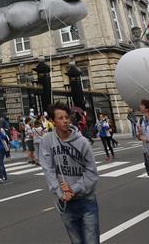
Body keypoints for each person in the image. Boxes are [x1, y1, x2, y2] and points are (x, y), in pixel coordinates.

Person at [38, 102, 99, 244]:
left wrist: (73, 188)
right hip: (65, 202)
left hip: (86, 199)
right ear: (52, 121)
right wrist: (60, 193)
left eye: (67, 117)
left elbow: (92, 172)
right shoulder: (47, 140)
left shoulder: (82, 142)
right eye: (60, 118)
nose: (65, 120)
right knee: (76, 241)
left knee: (91, 240)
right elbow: (48, 169)